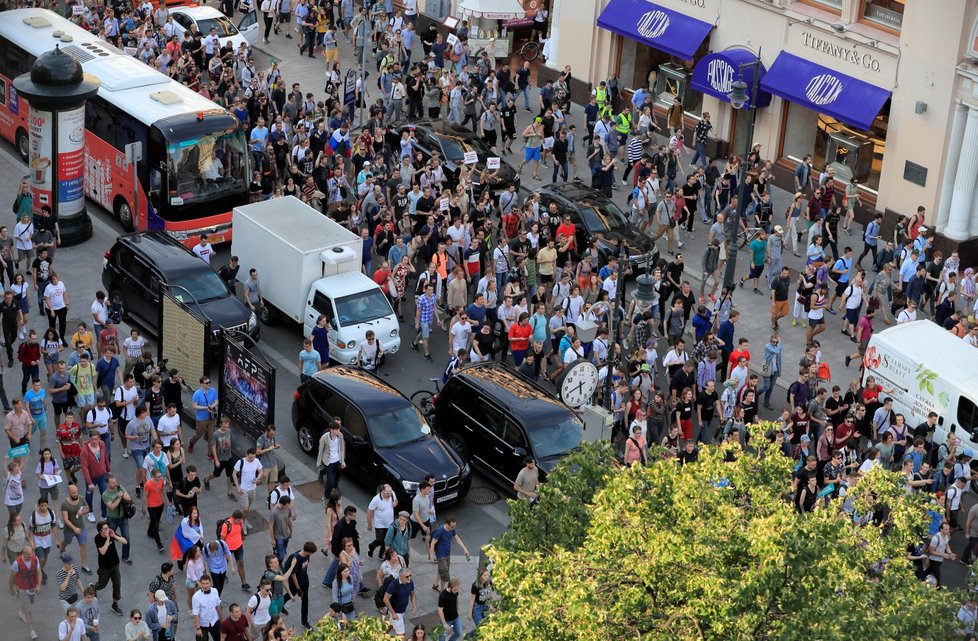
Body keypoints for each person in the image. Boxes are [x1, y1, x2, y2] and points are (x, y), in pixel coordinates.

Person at [92, 520, 126, 616]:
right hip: (104, 566)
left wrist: (114, 536)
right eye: (105, 529)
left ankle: (114, 605)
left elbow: (125, 541)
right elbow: (102, 551)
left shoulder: (111, 534)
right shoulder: (97, 538)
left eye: (108, 527)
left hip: (115, 564)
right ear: (100, 531)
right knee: (102, 584)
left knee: (117, 585)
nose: (107, 530)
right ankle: (94, 587)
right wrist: (107, 539)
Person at [429, 517, 470, 592]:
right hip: (440, 555)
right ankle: (442, 590)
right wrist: (431, 556)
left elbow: (457, 538)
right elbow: (432, 543)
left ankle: (435, 584)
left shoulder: (452, 529)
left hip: (447, 554)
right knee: (445, 574)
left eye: (455, 526)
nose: (454, 528)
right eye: (452, 526)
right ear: (447, 524)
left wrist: (465, 549)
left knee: (442, 570)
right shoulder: (440, 531)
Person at [9, 542, 41, 639]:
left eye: (31, 553)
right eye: (28, 554)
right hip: (22, 588)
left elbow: (39, 572)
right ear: (23, 553)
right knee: (29, 609)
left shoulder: (35, 559)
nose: (30, 555)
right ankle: (32, 630)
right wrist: (11, 589)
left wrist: (38, 585)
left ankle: (21, 612)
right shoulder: (16, 563)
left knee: (29, 603)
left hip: (32, 586)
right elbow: (11, 577)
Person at [284, 541, 316, 630]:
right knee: (291, 595)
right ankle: (280, 605)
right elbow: (293, 575)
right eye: (312, 553)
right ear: (307, 551)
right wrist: (298, 588)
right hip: (295, 583)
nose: (312, 555)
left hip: (304, 580)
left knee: (305, 600)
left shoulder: (307, 555)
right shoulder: (297, 558)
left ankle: (304, 621)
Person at [383, 567, 417, 638]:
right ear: (401, 576)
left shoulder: (410, 582)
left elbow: (412, 594)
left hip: (402, 610)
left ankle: (380, 636)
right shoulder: (393, 585)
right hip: (396, 611)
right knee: (401, 635)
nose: (409, 578)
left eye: (410, 575)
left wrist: (414, 606)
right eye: (407, 576)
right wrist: (393, 613)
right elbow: (385, 599)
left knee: (391, 624)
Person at [316, 419, 345, 498]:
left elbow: (342, 448)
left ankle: (322, 472)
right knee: (330, 481)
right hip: (328, 461)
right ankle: (326, 496)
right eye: (336, 430)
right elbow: (321, 450)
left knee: (336, 475)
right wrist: (318, 462)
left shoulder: (340, 436)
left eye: (339, 429)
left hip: (337, 460)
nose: (338, 431)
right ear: (332, 430)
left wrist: (342, 461)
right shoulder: (324, 438)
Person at [191, 574, 223, 641]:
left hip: (214, 621)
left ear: (210, 583)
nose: (205, 585)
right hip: (202, 624)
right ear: (200, 583)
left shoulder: (215, 591)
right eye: (203, 583)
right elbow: (195, 614)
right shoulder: (196, 597)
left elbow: (218, 605)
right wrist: (198, 628)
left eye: (207, 583)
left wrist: (221, 619)